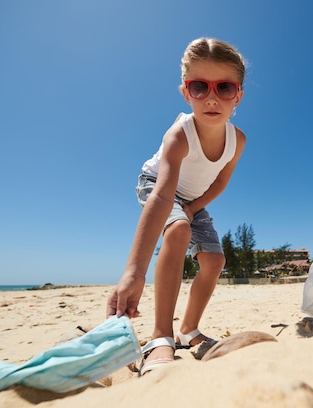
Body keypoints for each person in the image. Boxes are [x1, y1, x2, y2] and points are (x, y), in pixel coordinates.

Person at [106, 38, 247, 375]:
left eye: (224, 87)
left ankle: (188, 330)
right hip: (157, 185)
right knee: (178, 229)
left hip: (192, 198)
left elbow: (220, 182)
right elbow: (161, 197)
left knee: (214, 260)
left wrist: (194, 206)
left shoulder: (237, 140)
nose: (212, 97)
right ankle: (160, 337)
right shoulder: (179, 135)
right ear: (187, 93)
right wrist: (134, 273)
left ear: (238, 95)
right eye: (200, 86)